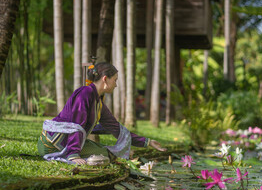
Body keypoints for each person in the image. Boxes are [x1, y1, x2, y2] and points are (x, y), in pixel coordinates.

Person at [38, 62, 166, 165]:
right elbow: (75, 125)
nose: (116, 85)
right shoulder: (85, 93)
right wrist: (73, 155)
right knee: (108, 155)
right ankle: (71, 154)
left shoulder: (98, 102)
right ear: (105, 79)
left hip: (70, 142)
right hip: (52, 143)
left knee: (106, 152)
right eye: (115, 80)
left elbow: (116, 129)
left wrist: (148, 142)